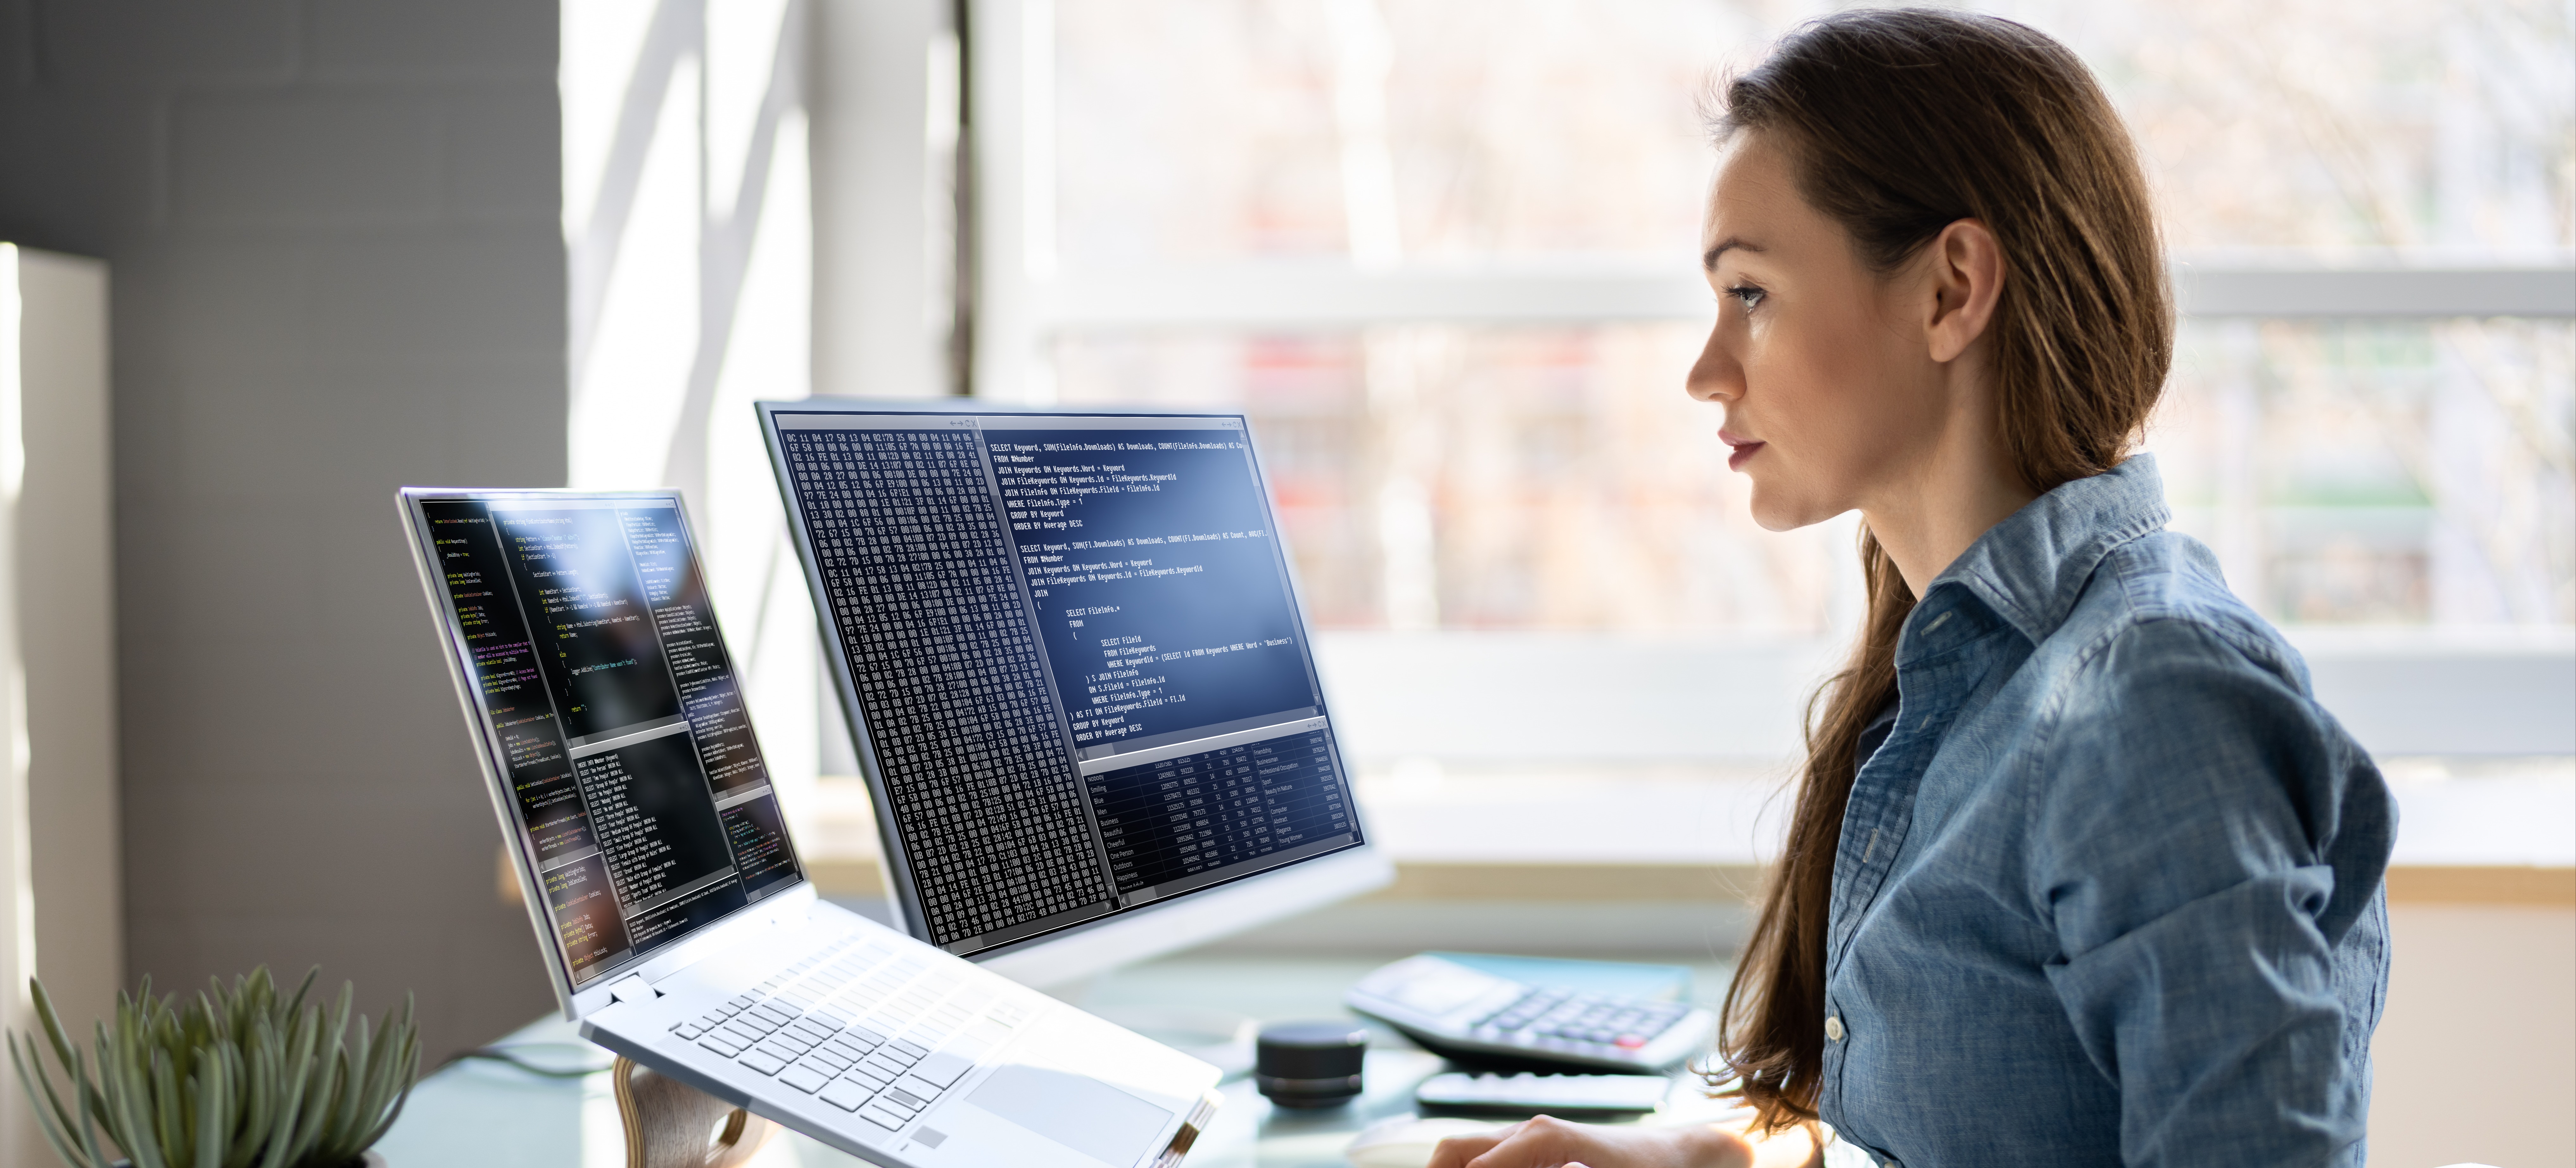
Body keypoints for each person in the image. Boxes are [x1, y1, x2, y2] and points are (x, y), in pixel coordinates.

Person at [1430, 9, 2393, 1168]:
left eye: (1751, 294)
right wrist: (1699, 1161)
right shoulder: (1964, 675)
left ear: (1949, 291)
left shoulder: (2152, 703)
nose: (1705, 371)